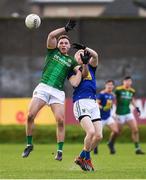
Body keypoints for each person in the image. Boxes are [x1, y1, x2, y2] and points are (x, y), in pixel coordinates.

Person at [22, 20, 78, 161]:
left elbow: (78, 79)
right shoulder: (52, 52)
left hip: (57, 92)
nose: (63, 45)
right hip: (44, 87)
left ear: (70, 46)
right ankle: (29, 145)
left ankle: (59, 151)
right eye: (61, 43)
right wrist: (65, 29)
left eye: (66, 43)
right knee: (30, 116)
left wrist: (83, 65)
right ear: (57, 45)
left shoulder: (72, 62)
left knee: (60, 121)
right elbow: (51, 35)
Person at [68, 43, 103, 171]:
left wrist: (85, 47)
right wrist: (84, 64)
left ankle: (81, 157)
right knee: (91, 132)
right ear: (75, 58)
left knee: (99, 136)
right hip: (80, 102)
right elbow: (79, 79)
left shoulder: (92, 67)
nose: (81, 54)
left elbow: (96, 55)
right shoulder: (73, 71)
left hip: (93, 103)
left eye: (83, 54)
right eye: (78, 54)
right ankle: (87, 159)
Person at [115, 76, 145, 155]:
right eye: (126, 81)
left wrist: (137, 107)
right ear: (123, 82)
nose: (128, 82)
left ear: (131, 82)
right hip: (119, 114)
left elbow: (131, 99)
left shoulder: (132, 91)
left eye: (129, 81)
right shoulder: (118, 90)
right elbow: (112, 97)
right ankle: (111, 142)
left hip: (128, 113)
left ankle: (137, 148)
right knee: (118, 132)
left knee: (135, 130)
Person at [94, 80, 119, 155]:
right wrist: (102, 108)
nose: (109, 86)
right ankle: (95, 146)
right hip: (100, 118)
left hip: (108, 117)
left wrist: (113, 114)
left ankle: (110, 143)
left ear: (113, 86)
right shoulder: (102, 94)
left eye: (111, 85)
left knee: (116, 131)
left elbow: (110, 105)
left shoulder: (112, 95)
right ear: (105, 85)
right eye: (108, 85)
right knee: (98, 135)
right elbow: (96, 103)